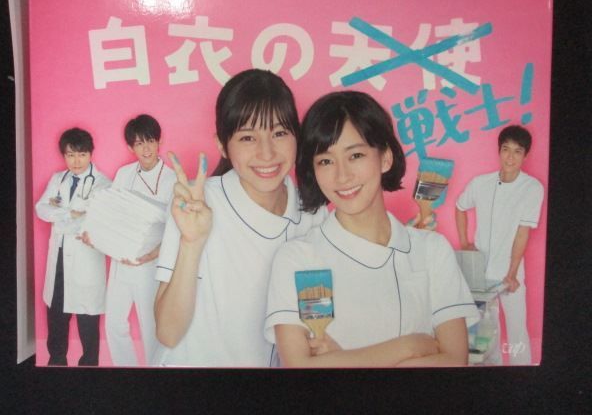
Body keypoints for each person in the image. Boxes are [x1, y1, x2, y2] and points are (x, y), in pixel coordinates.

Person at [265, 91, 478, 367]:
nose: (342, 176)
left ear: (385, 158)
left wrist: (341, 360)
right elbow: (300, 368)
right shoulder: (299, 258)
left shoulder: (432, 250)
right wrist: (409, 347)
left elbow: (455, 361)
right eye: (325, 161)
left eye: (355, 155)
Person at [153, 69, 327, 367]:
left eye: (279, 133)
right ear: (222, 144)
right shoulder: (198, 203)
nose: (267, 153)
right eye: (248, 137)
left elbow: (317, 322)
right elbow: (167, 333)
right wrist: (191, 242)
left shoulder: (312, 212)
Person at [455, 124, 544, 365]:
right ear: (499, 151)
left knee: (517, 330)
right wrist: (464, 243)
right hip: (481, 273)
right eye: (506, 149)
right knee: (487, 331)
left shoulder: (532, 188)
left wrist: (512, 273)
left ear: (525, 155)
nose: (510, 157)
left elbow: (522, 233)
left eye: (517, 151)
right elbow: (460, 207)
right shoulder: (480, 183)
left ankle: (522, 374)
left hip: (509, 272)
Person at [35, 128, 111, 366]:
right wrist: (70, 213)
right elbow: (41, 209)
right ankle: (56, 362)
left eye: (81, 154)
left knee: (88, 321)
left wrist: (61, 215)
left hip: (85, 261)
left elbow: (91, 220)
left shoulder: (102, 184)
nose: (76, 161)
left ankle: (89, 366)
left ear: (90, 154)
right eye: (70, 155)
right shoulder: (58, 179)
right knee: (56, 316)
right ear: (64, 156)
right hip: (58, 259)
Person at [105, 114, 176, 366]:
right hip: (122, 259)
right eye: (139, 143)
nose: (146, 149)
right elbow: (112, 212)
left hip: (151, 263)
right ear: (130, 147)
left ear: (159, 142)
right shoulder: (124, 174)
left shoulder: (172, 178)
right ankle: (126, 370)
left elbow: (175, 226)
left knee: (150, 326)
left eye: (150, 141)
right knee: (114, 324)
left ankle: (154, 371)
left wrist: (154, 253)